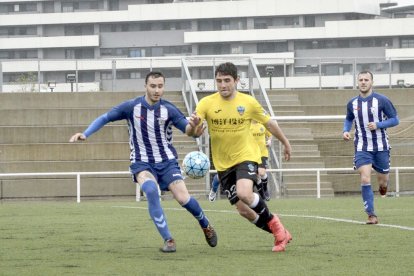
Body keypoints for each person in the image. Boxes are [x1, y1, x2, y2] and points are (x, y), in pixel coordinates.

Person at [69, 71, 217, 253]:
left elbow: (188, 131)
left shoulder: (168, 109)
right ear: (145, 86)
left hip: (167, 161)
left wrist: (195, 127)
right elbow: (105, 117)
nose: (156, 90)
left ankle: (205, 224)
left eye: (160, 86)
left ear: (164, 87)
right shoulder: (132, 107)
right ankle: (168, 239)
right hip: (142, 162)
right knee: (150, 190)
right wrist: (85, 133)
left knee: (182, 198)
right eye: (153, 86)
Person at [189, 62, 292, 252]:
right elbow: (192, 131)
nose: (223, 85)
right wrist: (194, 127)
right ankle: (281, 232)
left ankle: (277, 229)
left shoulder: (248, 102)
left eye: (227, 80)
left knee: (245, 193)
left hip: (246, 155)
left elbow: (269, 124)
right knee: (244, 211)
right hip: (222, 163)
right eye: (219, 81)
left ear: (236, 80)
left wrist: (285, 142)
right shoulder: (206, 103)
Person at [343, 71, 399, 225]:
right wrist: (346, 130)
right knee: (365, 177)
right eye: (360, 80)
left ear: (371, 82)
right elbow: (349, 118)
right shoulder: (352, 103)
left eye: (366, 80)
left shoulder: (382, 100)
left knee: (382, 182)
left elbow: (395, 120)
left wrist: (378, 125)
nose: (363, 82)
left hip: (381, 147)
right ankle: (371, 215)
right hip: (362, 146)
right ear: (357, 82)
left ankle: (384, 187)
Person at [208, 121, 272, 202]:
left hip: (252, 154)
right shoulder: (239, 127)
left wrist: (269, 140)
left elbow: (270, 133)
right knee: (221, 175)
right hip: (234, 154)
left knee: (259, 174)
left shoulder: (260, 124)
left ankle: (263, 195)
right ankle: (213, 190)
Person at [251, 120, 272, 201]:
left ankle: (265, 189)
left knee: (262, 173)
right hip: (252, 155)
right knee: (255, 176)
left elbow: (270, 134)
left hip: (263, 153)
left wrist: (269, 141)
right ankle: (262, 195)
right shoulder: (248, 126)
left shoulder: (262, 125)